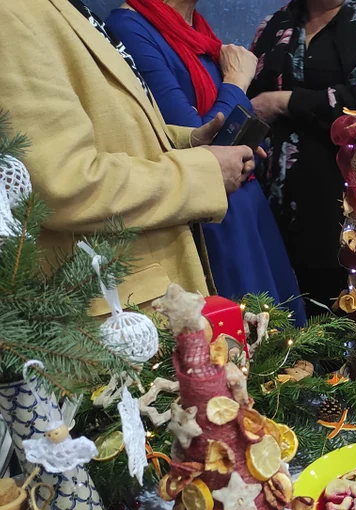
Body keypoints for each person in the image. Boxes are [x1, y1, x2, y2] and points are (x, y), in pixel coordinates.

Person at [0, 0, 254, 312]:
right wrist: (205, 170)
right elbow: (64, 184)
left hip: (147, 293)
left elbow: (112, 128)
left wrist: (188, 140)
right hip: (116, 314)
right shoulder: (12, 15)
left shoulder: (63, 9)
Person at [105, 0, 306, 324]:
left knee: (286, 342)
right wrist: (238, 81)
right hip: (212, 218)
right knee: (242, 346)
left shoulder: (197, 30)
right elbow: (197, 139)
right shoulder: (130, 27)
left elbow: (230, 131)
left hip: (245, 203)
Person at [248, 0, 356, 315]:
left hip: (355, 206)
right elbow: (251, 100)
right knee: (291, 323)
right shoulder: (273, 26)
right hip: (281, 208)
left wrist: (285, 102)